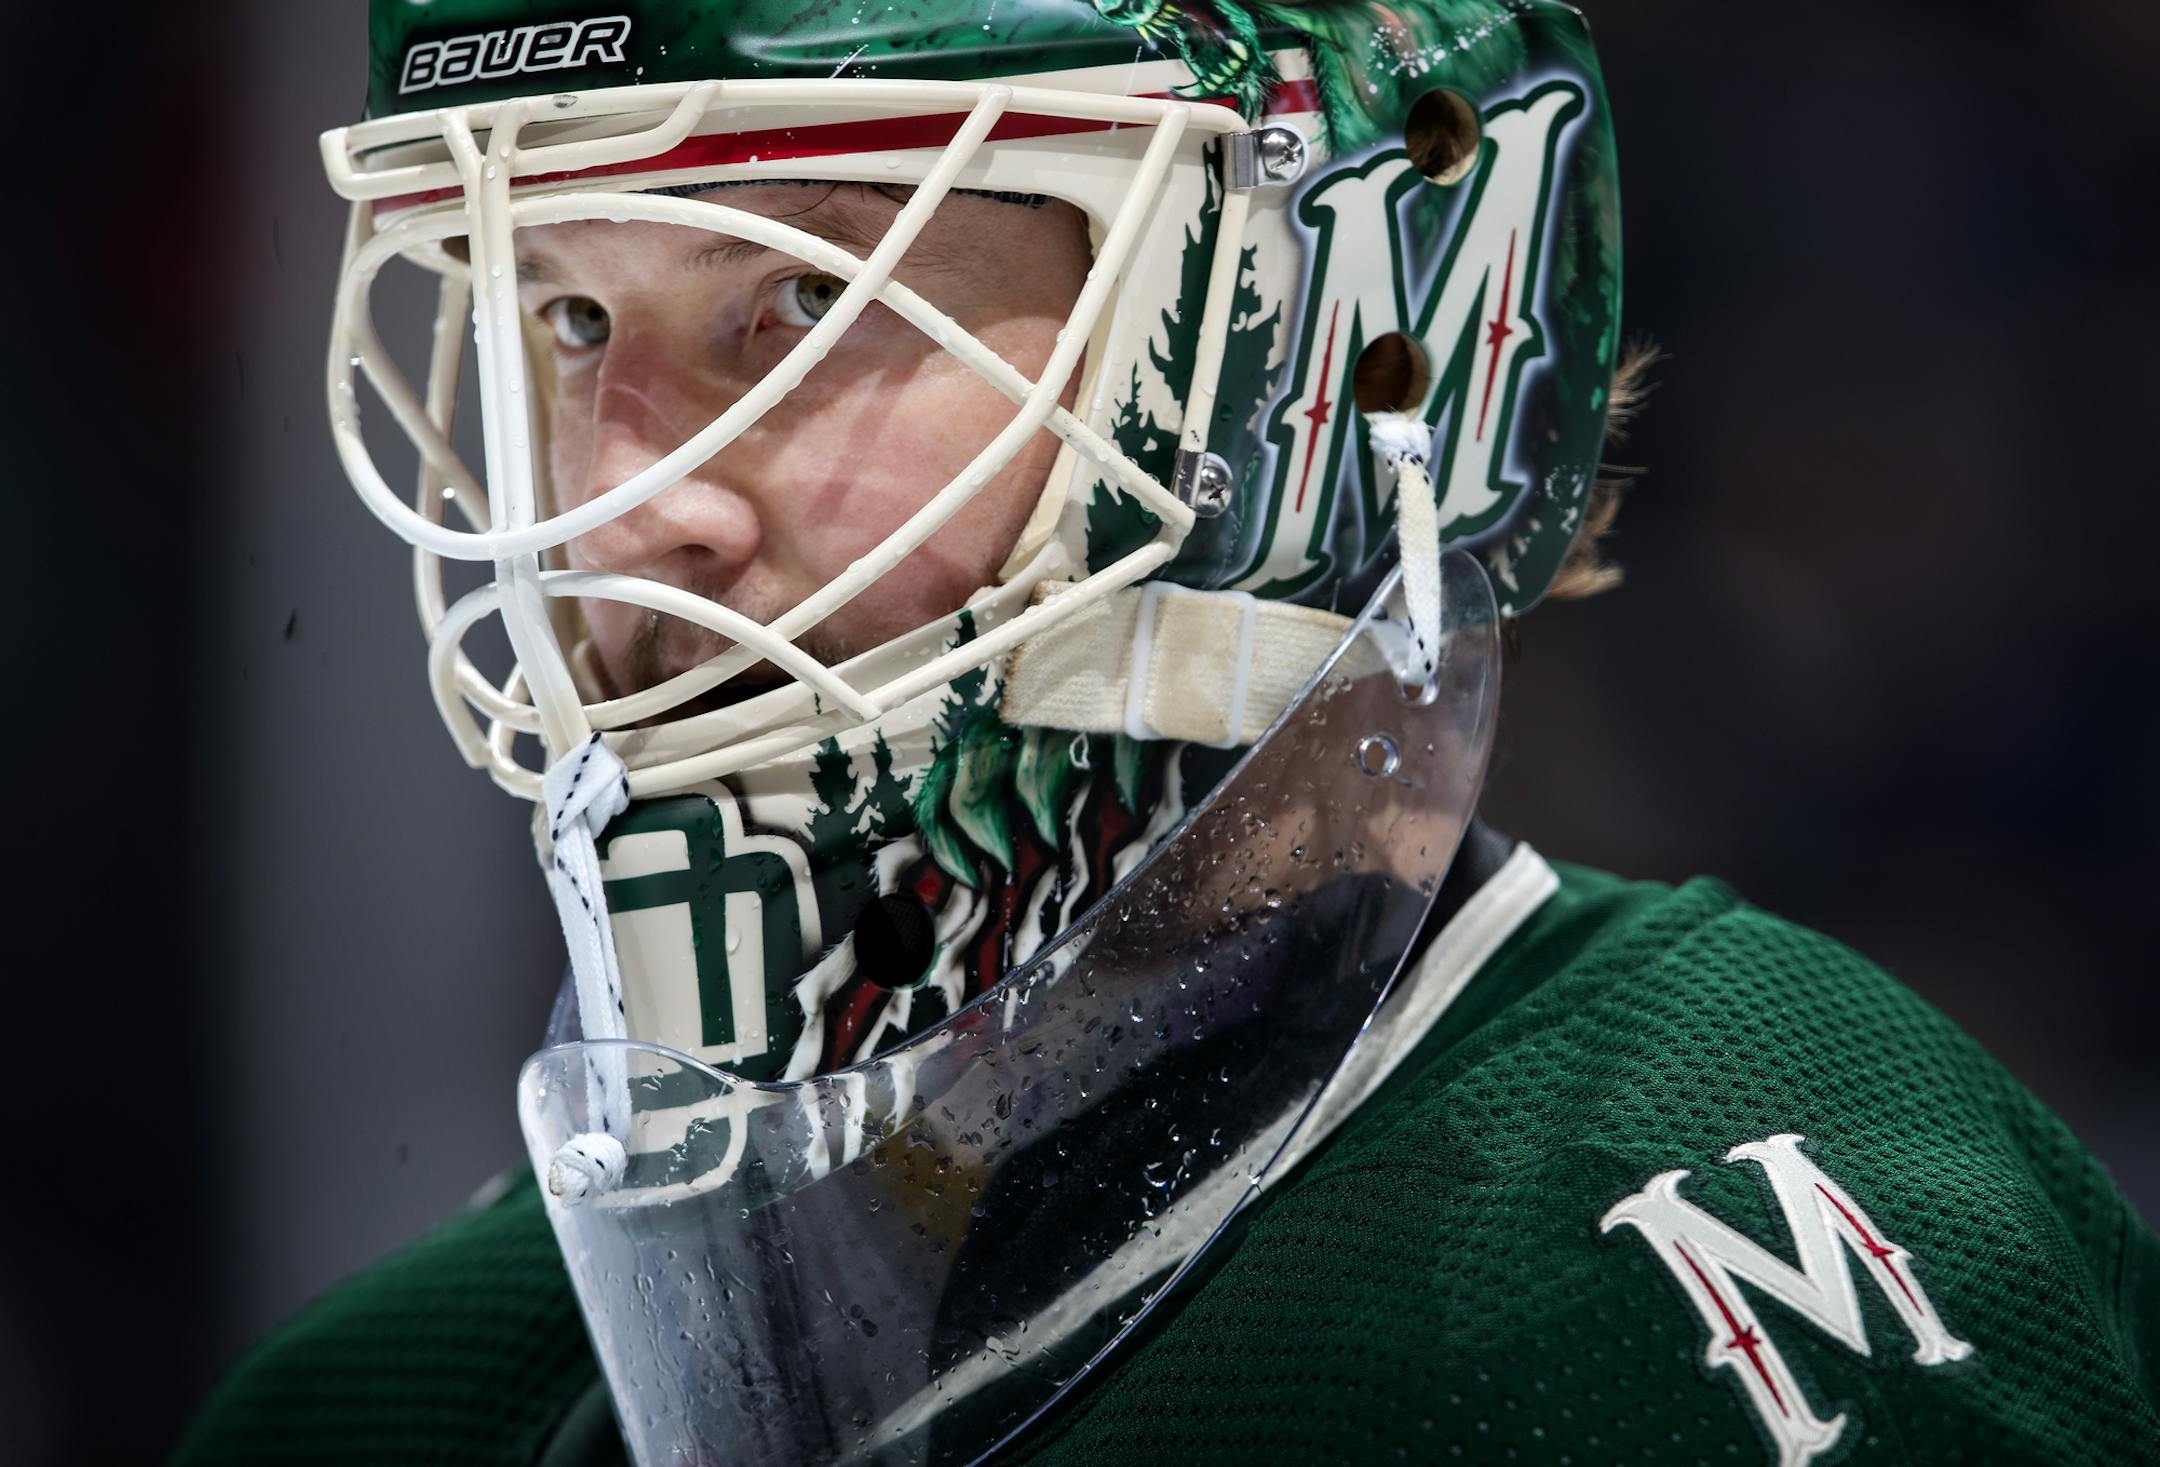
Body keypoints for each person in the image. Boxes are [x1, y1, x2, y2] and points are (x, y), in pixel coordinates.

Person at [178, 0, 2159, 1463]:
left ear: (1310, 341)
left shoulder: (1652, 1258)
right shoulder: (386, 1398)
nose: (623, 513)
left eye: (794, 298)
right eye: (567, 319)